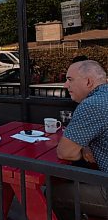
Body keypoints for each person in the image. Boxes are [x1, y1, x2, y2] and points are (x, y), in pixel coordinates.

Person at [54, 60, 108, 219]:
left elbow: (65, 153)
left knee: (53, 193)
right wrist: (85, 146)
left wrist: (80, 149)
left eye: (70, 79)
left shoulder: (92, 104)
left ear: (88, 81)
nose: (65, 85)